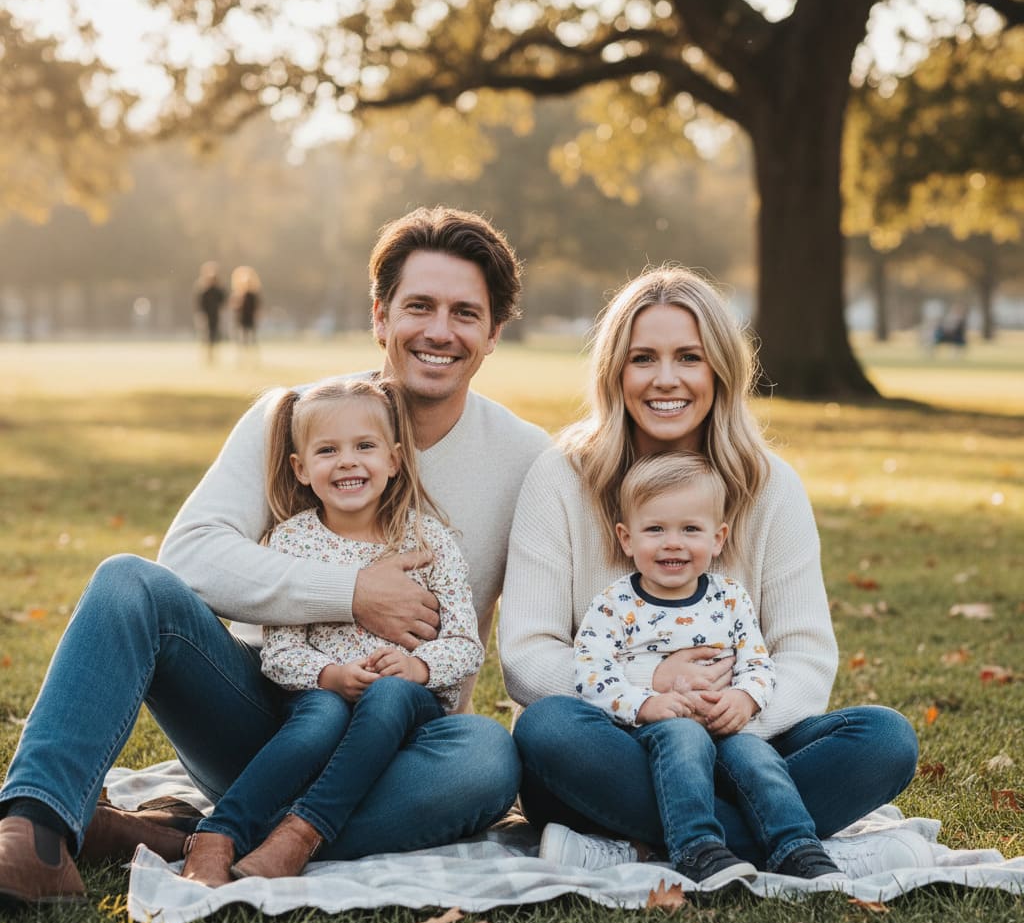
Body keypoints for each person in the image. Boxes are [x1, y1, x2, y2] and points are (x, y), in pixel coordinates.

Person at [0, 206, 550, 906]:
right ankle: (37, 834)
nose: (440, 331)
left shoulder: (527, 457)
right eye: (419, 306)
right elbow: (190, 556)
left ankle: (194, 836)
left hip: (402, 745)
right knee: (127, 583)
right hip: (271, 718)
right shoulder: (292, 418)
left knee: (488, 757)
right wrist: (352, 591)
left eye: (465, 313)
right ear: (380, 316)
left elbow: (538, 632)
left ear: (494, 332)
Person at [500, 266, 927, 882]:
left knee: (885, 739)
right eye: (643, 357)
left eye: (689, 357)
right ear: (615, 371)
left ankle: (653, 846)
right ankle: (788, 839)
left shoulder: (770, 486)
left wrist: (734, 707)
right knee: (546, 728)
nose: (665, 379)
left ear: (720, 369)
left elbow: (805, 655)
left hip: (743, 744)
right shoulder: (561, 477)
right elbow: (525, 655)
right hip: (614, 746)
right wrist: (652, 693)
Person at [180, 377, 484, 885]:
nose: (347, 461)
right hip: (320, 696)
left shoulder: (429, 540)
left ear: (393, 459)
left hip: (410, 708)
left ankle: (299, 834)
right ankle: (218, 833)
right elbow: (279, 655)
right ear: (301, 469)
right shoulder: (292, 541)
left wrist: (417, 666)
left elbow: (466, 646)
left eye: (364, 446)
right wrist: (331, 676)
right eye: (327, 450)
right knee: (319, 715)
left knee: (389, 696)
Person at [563, 451, 842, 887]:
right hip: (654, 731)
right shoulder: (615, 603)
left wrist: (745, 698)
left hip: (727, 726)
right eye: (655, 529)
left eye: (690, 529)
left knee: (758, 758)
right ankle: (697, 848)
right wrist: (646, 704)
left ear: (718, 538)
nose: (672, 542)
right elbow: (591, 669)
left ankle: (797, 847)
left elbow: (757, 661)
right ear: (626, 538)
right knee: (683, 737)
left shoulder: (730, 599)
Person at [195, 261, 226, 362]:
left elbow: (223, 301)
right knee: (206, 336)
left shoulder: (218, 290)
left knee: (214, 335)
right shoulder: (203, 290)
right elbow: (199, 304)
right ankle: (206, 356)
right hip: (206, 316)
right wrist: (201, 315)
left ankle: (213, 355)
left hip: (215, 316)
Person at [231, 265, 261, 350]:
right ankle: (242, 354)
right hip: (241, 319)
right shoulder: (238, 294)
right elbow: (234, 307)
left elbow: (257, 307)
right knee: (241, 337)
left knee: (252, 337)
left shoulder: (253, 295)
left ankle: (252, 354)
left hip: (250, 318)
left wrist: (257, 315)